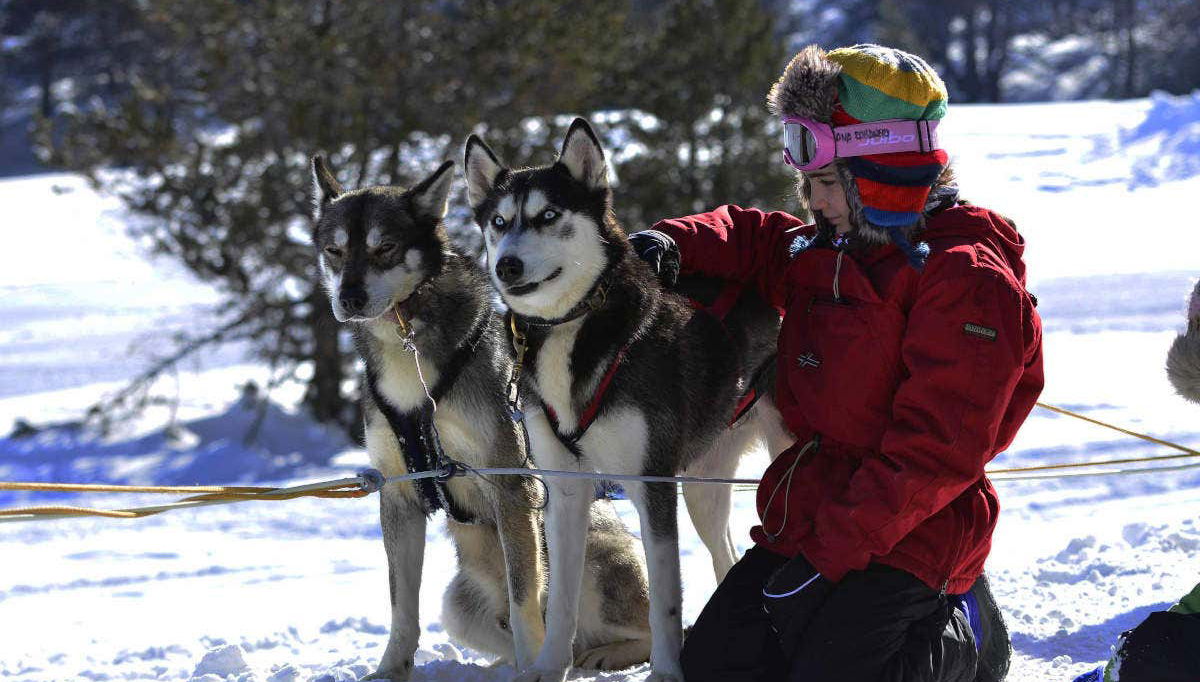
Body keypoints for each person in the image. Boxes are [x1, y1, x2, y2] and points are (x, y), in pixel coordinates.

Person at [630, 44, 1044, 681]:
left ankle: (965, 632)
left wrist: (829, 558)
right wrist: (671, 242)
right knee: (716, 668)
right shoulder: (826, 248)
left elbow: (935, 454)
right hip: (813, 510)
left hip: (916, 529)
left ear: (881, 172)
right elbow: (753, 235)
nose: (813, 202)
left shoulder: (963, 277)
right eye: (809, 186)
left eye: (826, 184)